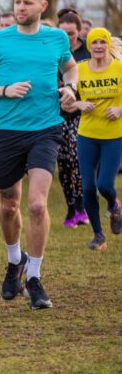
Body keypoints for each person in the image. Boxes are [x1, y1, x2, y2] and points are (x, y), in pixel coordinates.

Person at [0, 0, 78, 310]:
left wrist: (71, 89)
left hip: (45, 129)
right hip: (5, 131)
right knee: (9, 205)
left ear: (42, 6)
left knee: (36, 205)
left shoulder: (57, 38)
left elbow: (70, 67)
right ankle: (14, 260)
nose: (20, 7)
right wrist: (5, 90)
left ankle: (34, 277)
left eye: (27, 3)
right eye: (17, 2)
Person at [70, 27, 122, 250]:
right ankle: (98, 235)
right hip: (87, 135)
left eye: (102, 42)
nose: (99, 47)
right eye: (94, 43)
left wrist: (120, 109)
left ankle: (114, 205)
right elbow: (65, 101)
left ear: (108, 45)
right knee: (88, 187)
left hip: (114, 135)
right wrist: (78, 104)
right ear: (88, 46)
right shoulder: (79, 70)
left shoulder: (119, 68)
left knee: (104, 184)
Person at [57, 8, 90, 227]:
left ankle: (81, 206)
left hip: (82, 114)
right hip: (57, 113)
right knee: (64, 163)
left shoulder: (87, 52)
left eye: (71, 33)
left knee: (78, 160)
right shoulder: (52, 50)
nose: (67, 38)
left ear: (79, 31)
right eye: (63, 33)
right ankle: (70, 208)